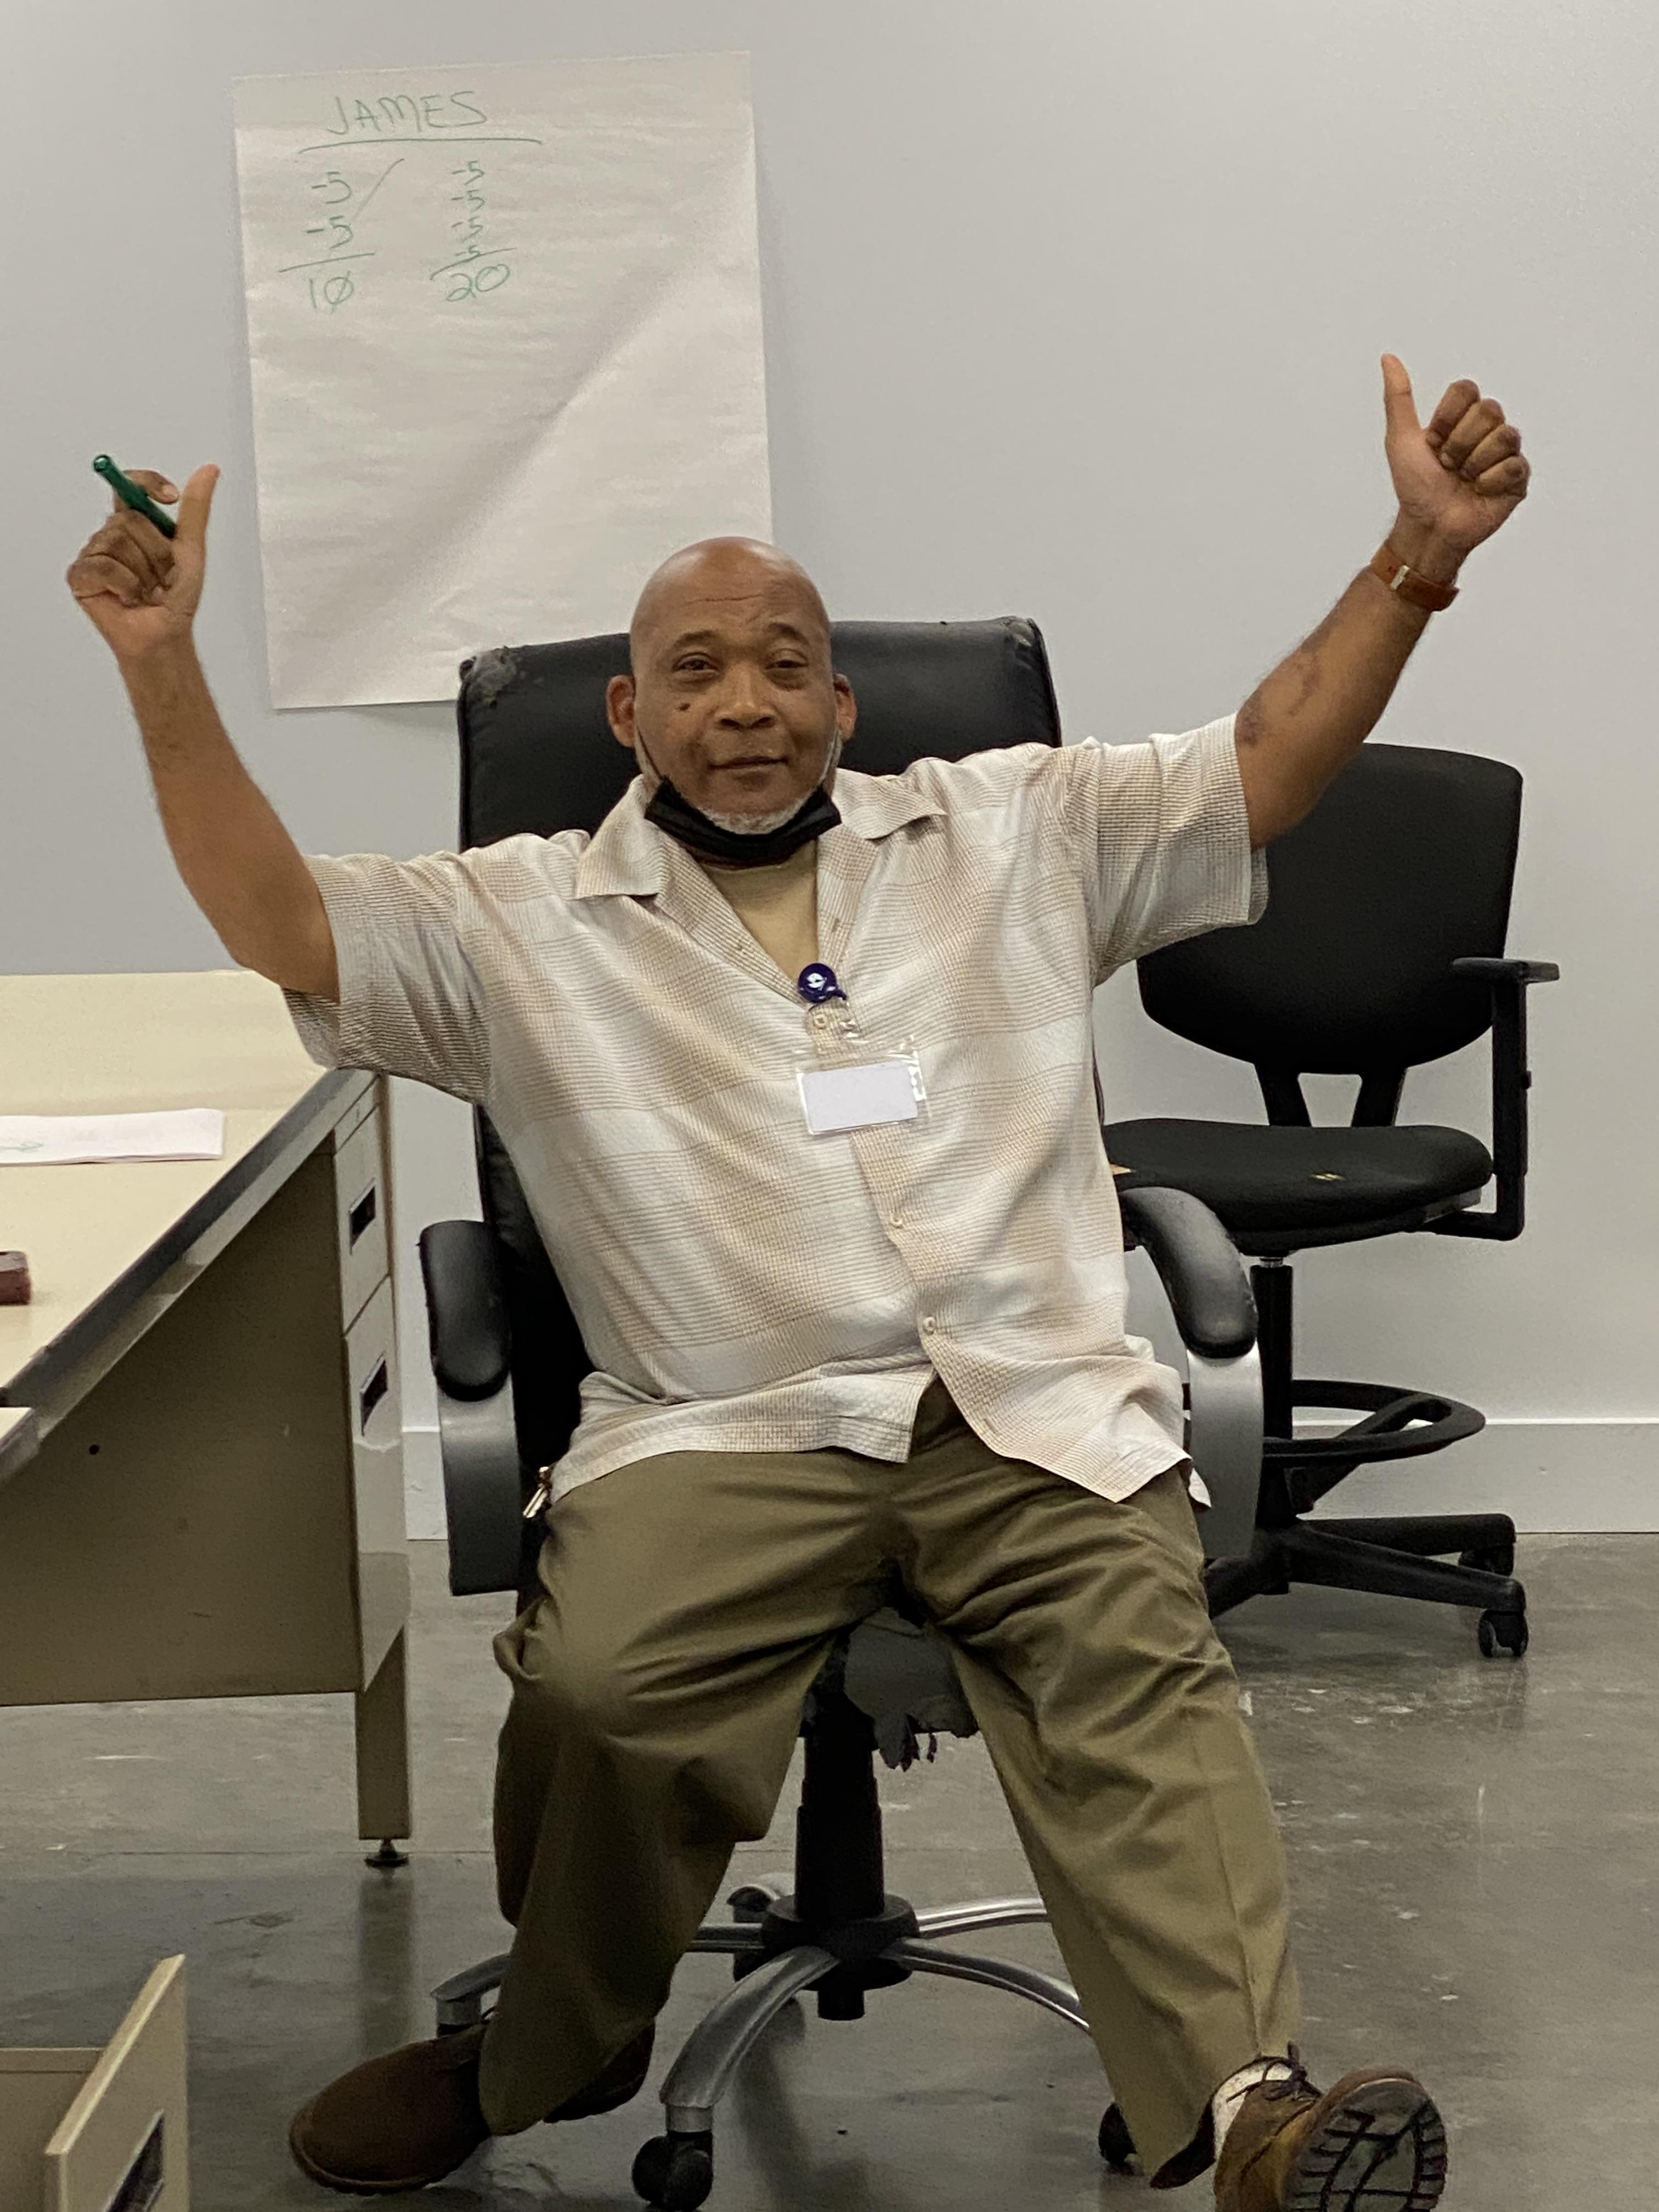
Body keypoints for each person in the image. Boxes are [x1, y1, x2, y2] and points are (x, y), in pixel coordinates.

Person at [67, 355, 1529, 2210]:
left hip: (1023, 1403)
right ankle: (538, 2055)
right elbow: (279, 920)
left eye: (783, 664)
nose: (744, 702)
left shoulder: (1013, 833)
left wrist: (1418, 556)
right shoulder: (518, 921)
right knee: (601, 1692)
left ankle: (1256, 2117)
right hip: (720, 1429)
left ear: (842, 704)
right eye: (695, 669)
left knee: (1140, 1675)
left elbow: (1268, 762)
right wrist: (160, 664)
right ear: (629, 713)